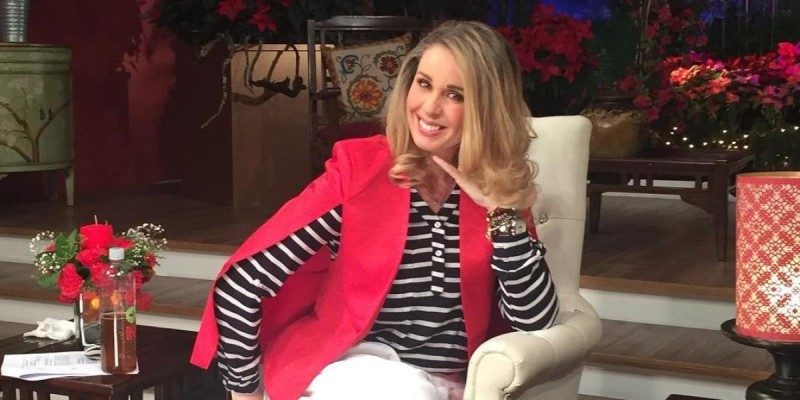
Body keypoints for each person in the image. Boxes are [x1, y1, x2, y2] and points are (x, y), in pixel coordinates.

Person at [190, 20, 559, 400]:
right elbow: (241, 284)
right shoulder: (361, 172)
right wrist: (246, 395)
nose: (429, 108)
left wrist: (502, 212)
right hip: (356, 369)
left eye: (455, 95)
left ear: (488, 109)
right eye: (424, 84)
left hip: (446, 384)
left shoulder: (499, 190)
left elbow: (535, 323)